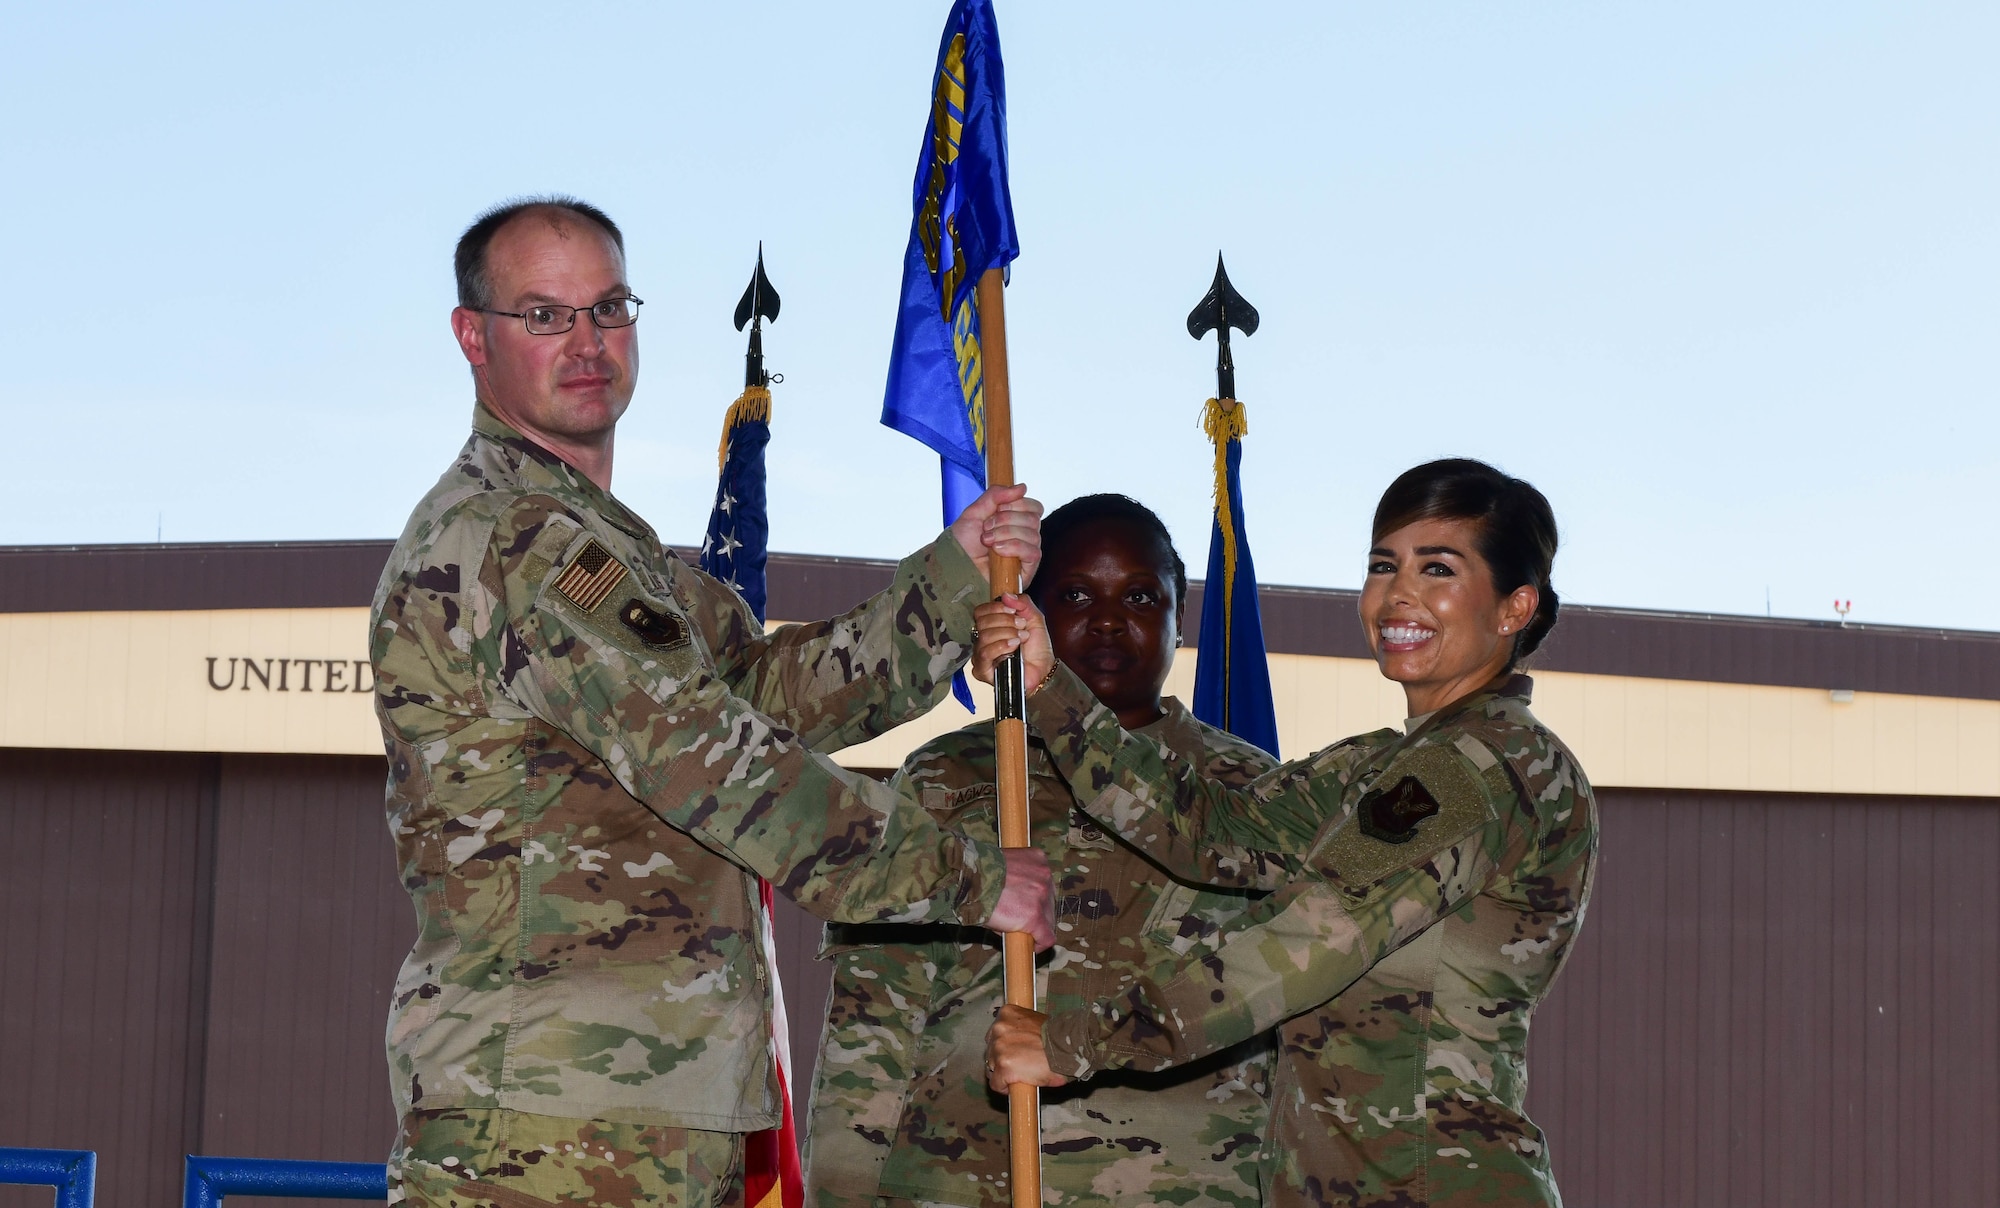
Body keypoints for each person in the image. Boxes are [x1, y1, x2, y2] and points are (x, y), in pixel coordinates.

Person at [371, 196, 1054, 1208]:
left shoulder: (619, 553)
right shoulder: (515, 540)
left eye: (608, 308)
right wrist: (964, 877)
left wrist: (951, 580)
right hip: (547, 1124)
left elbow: (761, 700)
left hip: (644, 1104)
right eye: (544, 315)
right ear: (474, 335)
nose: (588, 342)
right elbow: (713, 760)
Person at [978, 459, 1599, 1207]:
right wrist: (1049, 688)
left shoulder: (1478, 767)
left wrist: (1074, 1042)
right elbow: (1210, 825)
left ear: (1512, 608)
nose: (1398, 594)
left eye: (1438, 569)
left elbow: (1304, 943)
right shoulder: (1386, 763)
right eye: (1383, 565)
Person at [801, 495, 1281, 1208]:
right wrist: (839, 1191)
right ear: (1027, 611)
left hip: (1191, 1182)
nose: (1112, 619)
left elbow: (1289, 1016)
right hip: (961, 1181)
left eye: (1144, 596)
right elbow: (875, 1016)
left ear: (1182, 624)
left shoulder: (1249, 790)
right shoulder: (948, 777)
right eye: (1077, 593)